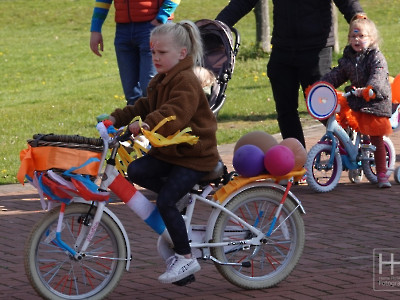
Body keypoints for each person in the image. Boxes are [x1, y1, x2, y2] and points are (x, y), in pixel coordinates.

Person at [108, 20, 220, 284]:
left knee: (166, 202)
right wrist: (116, 118)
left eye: (162, 53)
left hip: (194, 156)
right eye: (153, 53)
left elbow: (173, 115)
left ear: (182, 53)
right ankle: (177, 205)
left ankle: (185, 256)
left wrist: (145, 125)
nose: (156, 58)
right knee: (135, 169)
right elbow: (145, 105)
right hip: (172, 153)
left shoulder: (186, 82)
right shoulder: (162, 80)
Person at [216, 0, 363, 148]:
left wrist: (358, 17)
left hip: (316, 48)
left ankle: (347, 138)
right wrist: (218, 26)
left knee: (321, 105)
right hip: (283, 48)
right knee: (285, 110)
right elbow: (242, 3)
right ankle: (297, 161)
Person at [320, 15, 392, 188]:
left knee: (376, 137)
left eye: (361, 36)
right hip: (356, 99)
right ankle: (350, 154)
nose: (357, 39)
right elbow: (338, 74)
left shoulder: (376, 57)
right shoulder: (348, 58)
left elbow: (379, 73)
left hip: (375, 99)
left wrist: (370, 88)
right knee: (340, 116)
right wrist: (322, 85)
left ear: (371, 39)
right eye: (353, 36)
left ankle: (382, 172)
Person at [90, 0, 181, 105]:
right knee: (131, 91)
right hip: (123, 30)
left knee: (150, 87)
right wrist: (95, 29)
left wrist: (161, 17)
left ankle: (160, 118)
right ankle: (136, 119)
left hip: (154, 26)